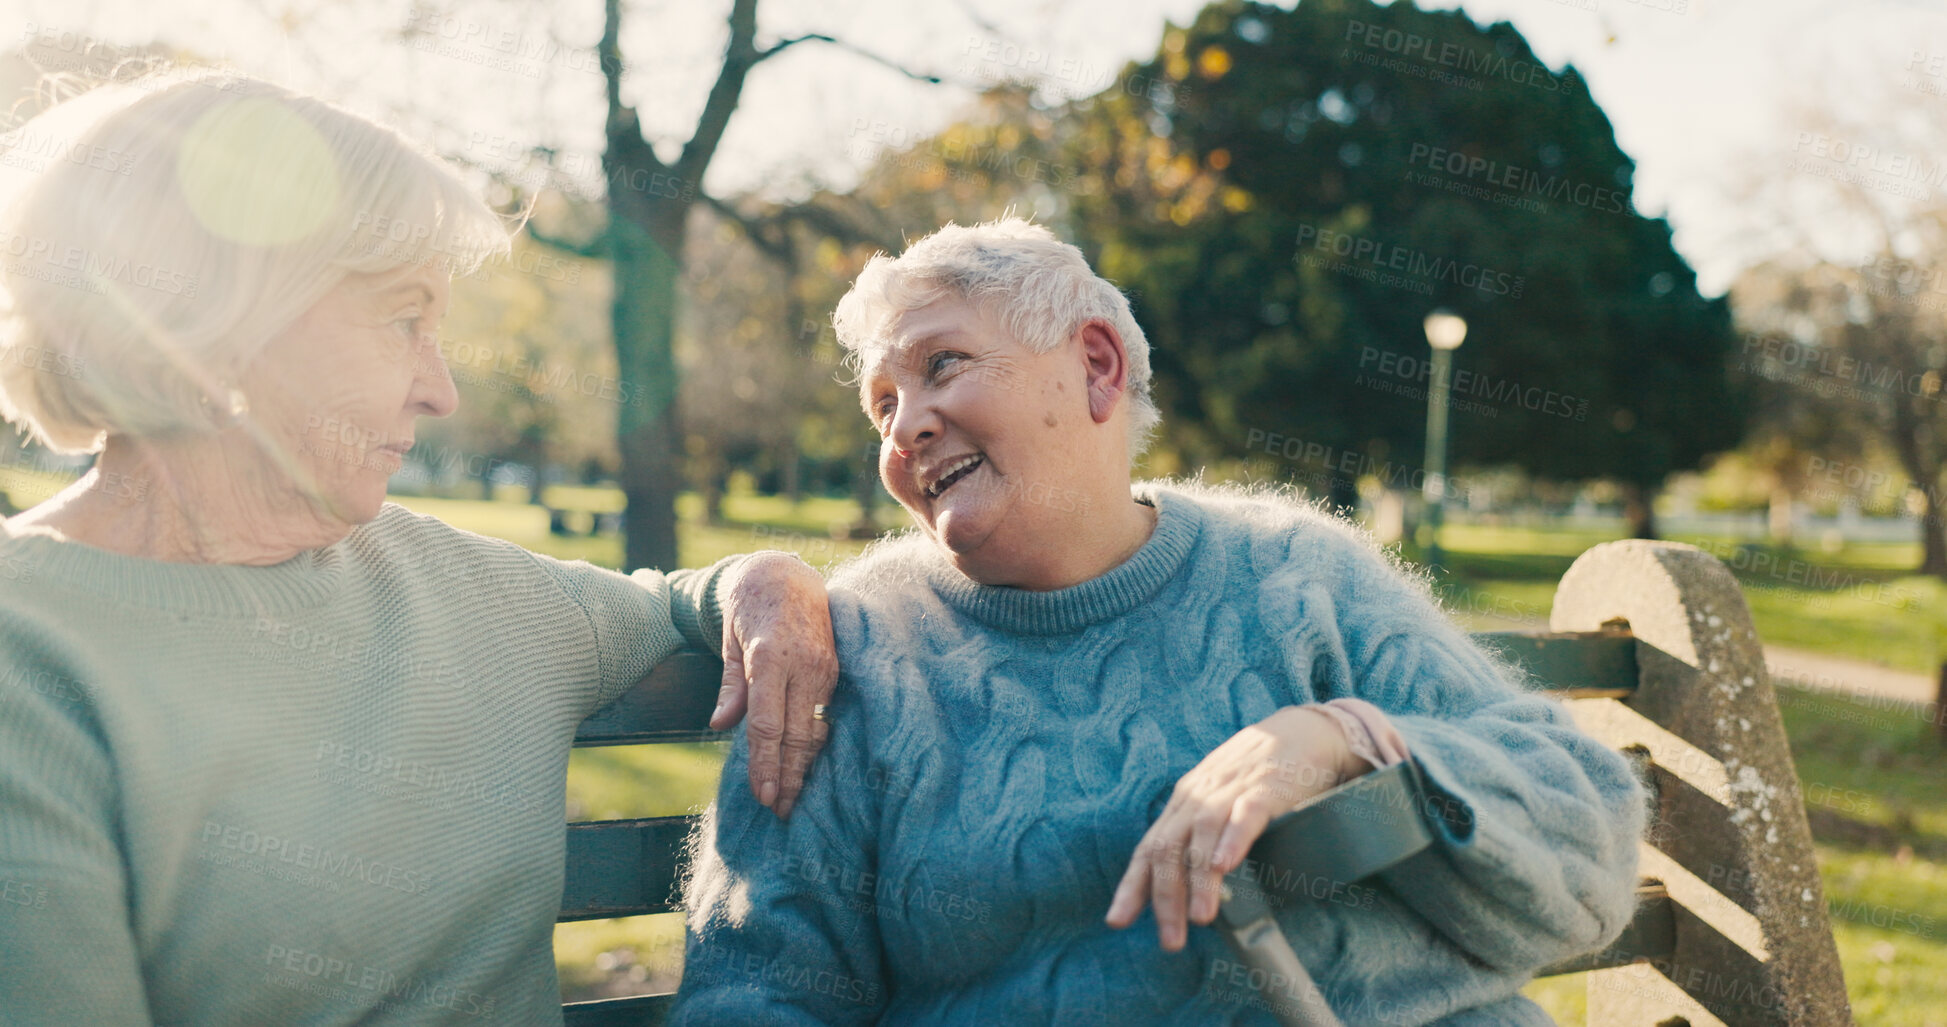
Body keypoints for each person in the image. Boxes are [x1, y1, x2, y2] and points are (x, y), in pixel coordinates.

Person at [0, 72, 838, 1024]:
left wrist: (773, 580)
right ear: (223, 326)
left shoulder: (468, 590)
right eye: (405, 320)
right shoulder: (26, 647)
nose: (441, 390)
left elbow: (680, 600)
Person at [672, 219, 1647, 1025]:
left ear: (1095, 366)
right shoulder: (851, 654)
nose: (904, 428)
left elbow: (1589, 845)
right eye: (881, 405)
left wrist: (1345, 738)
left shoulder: (1294, 574)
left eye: (943, 365)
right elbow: (756, 991)